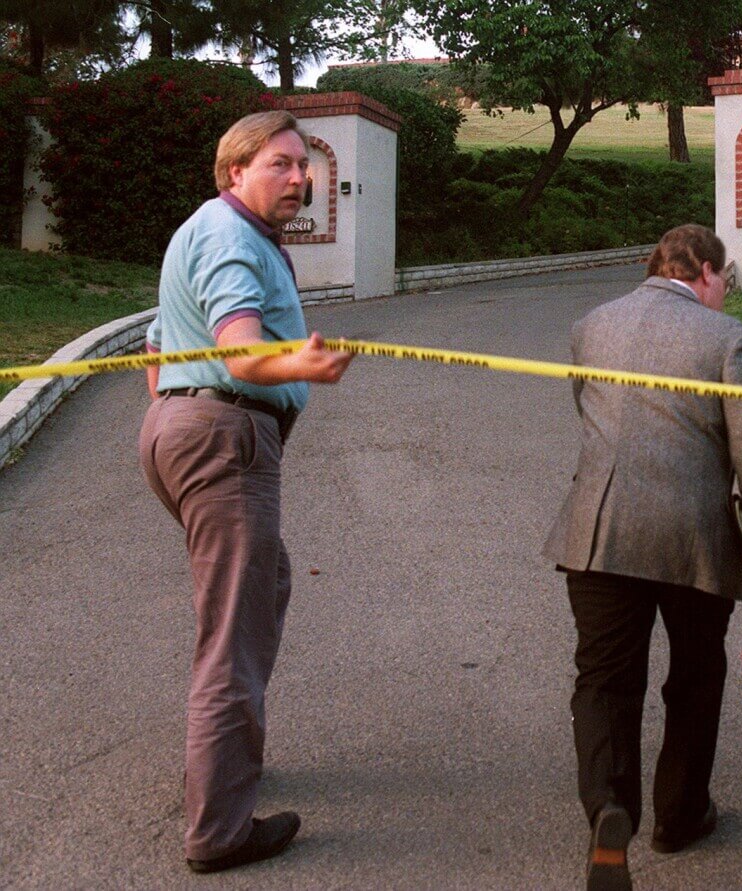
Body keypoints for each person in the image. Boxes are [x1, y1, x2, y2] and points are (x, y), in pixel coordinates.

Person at [139, 110, 353, 873]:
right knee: (233, 629)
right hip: (226, 435)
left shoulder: (210, 230)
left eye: (303, 165)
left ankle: (218, 759)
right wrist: (301, 366)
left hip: (184, 429)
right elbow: (237, 349)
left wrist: (175, 414)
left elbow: (156, 348)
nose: (298, 178)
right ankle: (219, 830)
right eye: (279, 164)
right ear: (235, 171)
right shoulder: (231, 235)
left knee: (258, 593)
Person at [544, 224, 742, 891]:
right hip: (690, 534)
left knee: (603, 677)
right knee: (695, 675)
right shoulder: (729, 337)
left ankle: (610, 807)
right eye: (724, 280)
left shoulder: (591, 325)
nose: (723, 293)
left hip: (598, 527)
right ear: (706, 270)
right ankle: (679, 814)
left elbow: (588, 413)